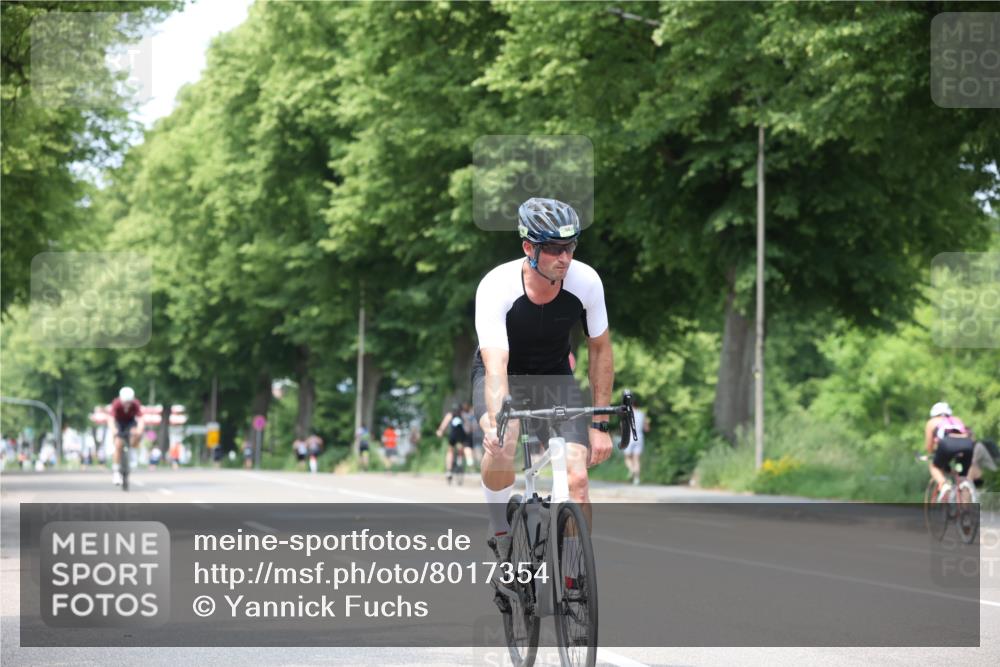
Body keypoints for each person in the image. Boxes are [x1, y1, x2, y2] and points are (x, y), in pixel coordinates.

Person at [474, 197, 614, 571]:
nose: (563, 258)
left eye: (569, 247)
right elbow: (495, 363)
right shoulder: (496, 286)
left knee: (578, 476)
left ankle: (572, 576)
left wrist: (599, 424)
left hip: (554, 377)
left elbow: (600, 350)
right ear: (528, 248)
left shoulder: (586, 282)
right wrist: (496, 418)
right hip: (505, 375)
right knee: (503, 442)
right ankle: (501, 530)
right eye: (552, 248)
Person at [924, 402, 989, 500]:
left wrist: (931, 454)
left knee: (934, 466)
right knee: (963, 475)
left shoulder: (932, 422)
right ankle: (966, 485)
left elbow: (929, 446)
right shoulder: (957, 419)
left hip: (946, 444)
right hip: (967, 444)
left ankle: (944, 485)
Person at [109, 386, 144, 486]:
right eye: (125, 402)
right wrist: (113, 430)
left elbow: (141, 418)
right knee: (118, 444)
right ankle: (116, 472)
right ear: (121, 399)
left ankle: (132, 451)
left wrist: (139, 429)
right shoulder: (116, 404)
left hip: (130, 423)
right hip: (119, 423)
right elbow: (111, 419)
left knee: (136, 433)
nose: (127, 405)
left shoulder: (135, 404)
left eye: (129, 402)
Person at [436, 404, 468, 484]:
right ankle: (460, 461)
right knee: (461, 448)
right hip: (461, 435)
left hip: (453, 435)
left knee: (450, 451)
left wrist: (440, 431)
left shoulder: (450, 414)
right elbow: (467, 425)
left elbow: (444, 424)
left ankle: (449, 471)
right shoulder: (462, 415)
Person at [623, 399, 650, 485]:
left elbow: (623, 428)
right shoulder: (642, 414)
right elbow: (647, 429)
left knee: (627, 458)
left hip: (629, 437)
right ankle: (636, 479)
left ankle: (631, 470)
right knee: (636, 459)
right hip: (639, 437)